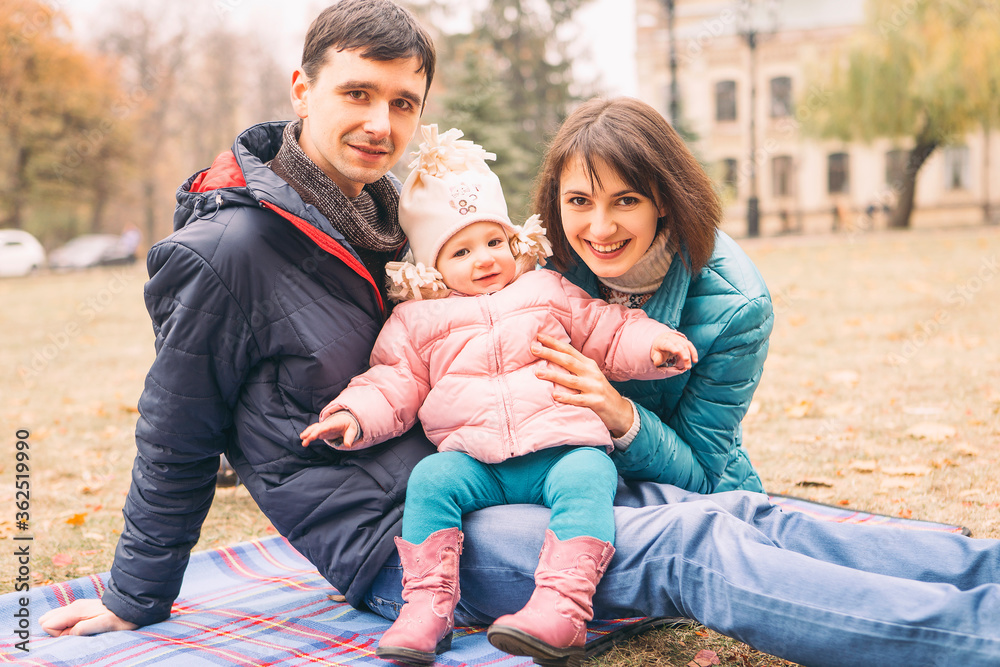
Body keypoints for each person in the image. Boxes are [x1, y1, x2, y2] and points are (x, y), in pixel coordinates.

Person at [38, 2, 1000, 664]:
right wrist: (137, 590)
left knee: (738, 513)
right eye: (356, 94)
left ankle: (985, 579)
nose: (381, 122)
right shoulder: (230, 249)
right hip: (404, 542)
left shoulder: (375, 216)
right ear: (302, 88)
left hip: (499, 469)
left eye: (403, 101)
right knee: (688, 552)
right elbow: (173, 426)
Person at [298, 124, 697, 664]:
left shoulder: (545, 289)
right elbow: (394, 381)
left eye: (494, 241)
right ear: (431, 266)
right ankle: (427, 606)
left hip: (560, 449)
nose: (484, 259)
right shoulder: (416, 321)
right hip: (476, 462)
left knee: (590, 475)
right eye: (461, 250)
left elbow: (607, 328)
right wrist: (353, 414)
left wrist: (654, 344)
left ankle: (562, 606)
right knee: (431, 480)